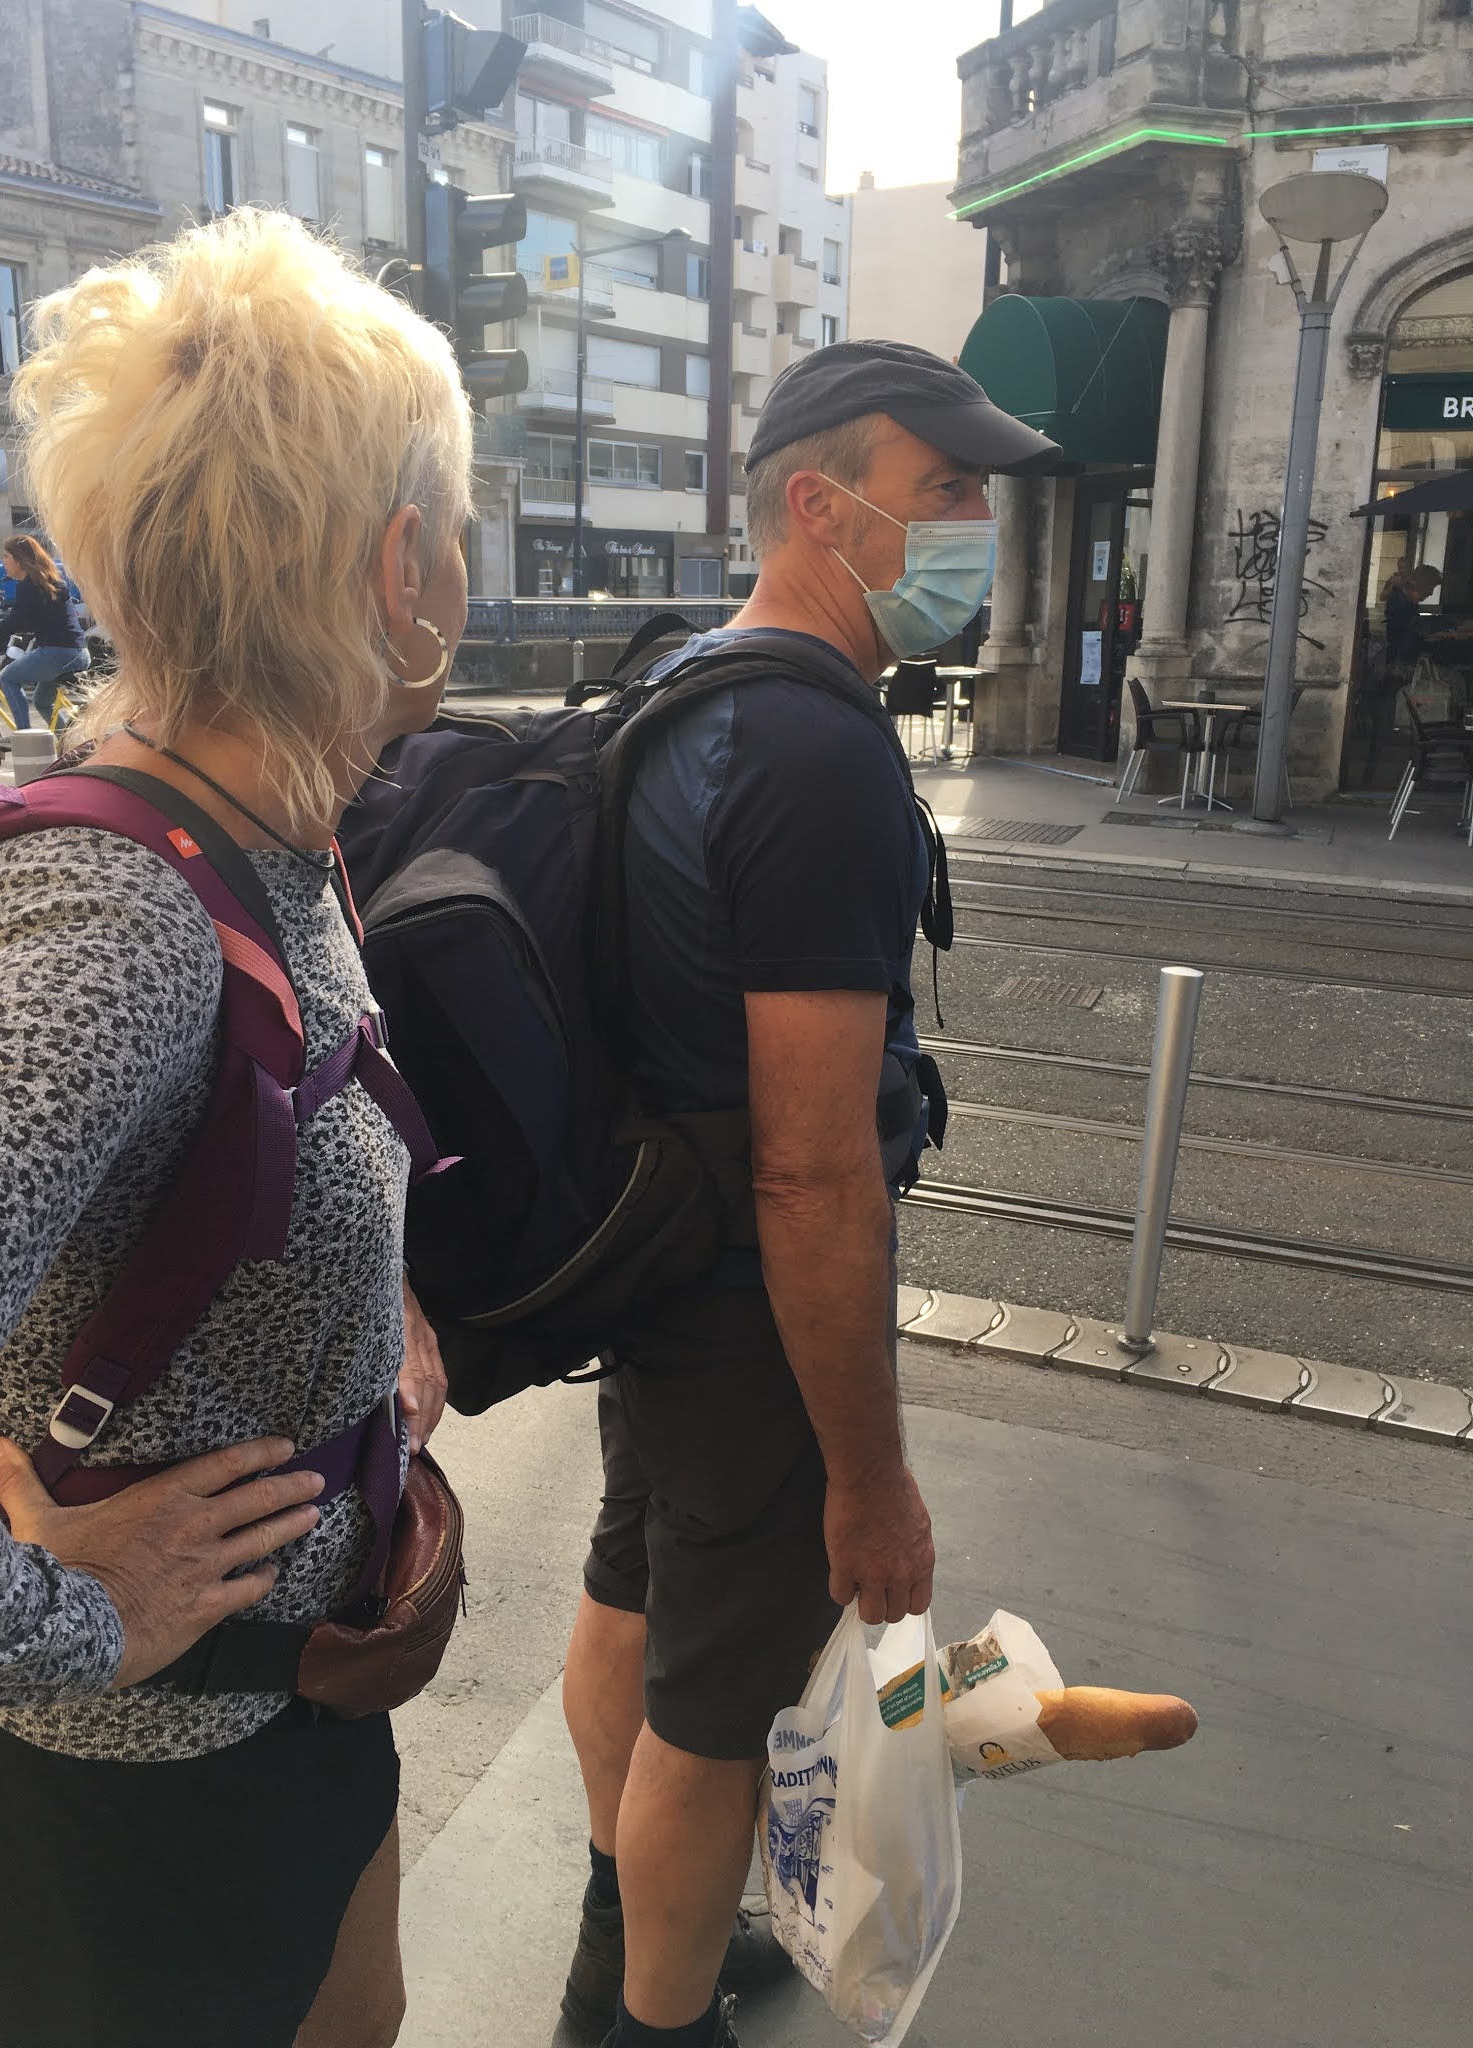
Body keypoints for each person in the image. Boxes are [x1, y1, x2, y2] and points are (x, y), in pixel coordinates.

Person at [0, 206, 471, 2048]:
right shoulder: (115, 918)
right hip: (136, 1782)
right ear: (404, 565)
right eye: (457, 520)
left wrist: (372, 1313)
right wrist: (61, 1622)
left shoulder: (268, 834)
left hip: (294, 1699)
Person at [558, 341, 1059, 2048]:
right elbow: (816, 1167)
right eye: (947, 491)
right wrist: (870, 1476)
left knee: (634, 1588)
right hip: (750, 1309)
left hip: (653, 1266)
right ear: (820, 506)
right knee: (720, 1712)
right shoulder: (818, 751)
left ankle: (620, 1934)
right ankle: (653, 2019)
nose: (977, 527)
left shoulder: (686, 684)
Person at [0, 532, 91, 728]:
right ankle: (66, 741)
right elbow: (41, 618)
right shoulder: (50, 582)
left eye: (6, 556)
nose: (3, 562)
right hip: (79, 653)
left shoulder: (28, 586)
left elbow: (11, 624)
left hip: (57, 653)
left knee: (8, 677)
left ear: (19, 560)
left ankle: (24, 737)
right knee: (42, 702)